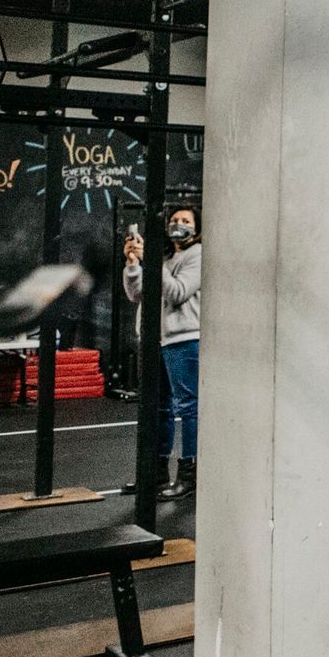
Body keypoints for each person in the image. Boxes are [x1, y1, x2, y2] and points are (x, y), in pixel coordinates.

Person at [123, 202, 203, 501]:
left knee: (188, 407)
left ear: (196, 227)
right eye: (175, 219)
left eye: (185, 220)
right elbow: (136, 293)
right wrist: (134, 264)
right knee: (159, 408)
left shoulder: (198, 255)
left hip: (184, 339)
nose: (178, 224)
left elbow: (179, 292)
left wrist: (152, 261)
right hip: (156, 339)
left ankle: (189, 473)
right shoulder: (167, 257)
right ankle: (156, 474)